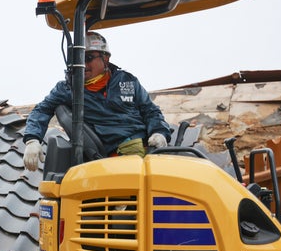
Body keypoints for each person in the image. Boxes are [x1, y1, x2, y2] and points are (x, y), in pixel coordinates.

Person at [23, 31, 171, 171]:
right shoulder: (68, 89)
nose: (84, 64)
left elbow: (150, 110)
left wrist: (159, 132)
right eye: (78, 58)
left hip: (149, 150)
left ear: (105, 58)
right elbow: (41, 110)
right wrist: (32, 139)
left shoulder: (127, 81)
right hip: (116, 157)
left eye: (88, 58)